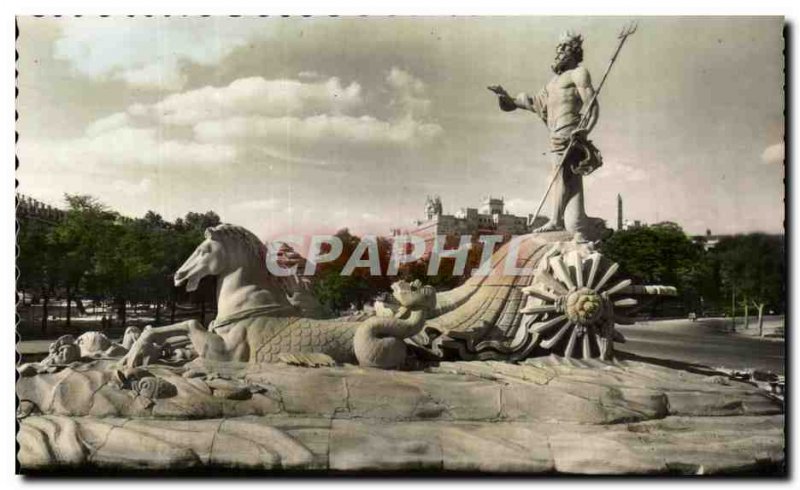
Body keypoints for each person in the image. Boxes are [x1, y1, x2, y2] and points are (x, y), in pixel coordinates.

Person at [489, 31, 605, 241]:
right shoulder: (551, 84)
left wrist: (586, 129)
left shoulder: (578, 73)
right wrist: (505, 97)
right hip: (556, 137)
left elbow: (592, 104)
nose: (559, 52)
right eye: (558, 48)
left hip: (570, 135)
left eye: (564, 48)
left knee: (558, 177)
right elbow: (529, 104)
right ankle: (591, 226)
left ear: (574, 53)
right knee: (574, 218)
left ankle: (555, 220)